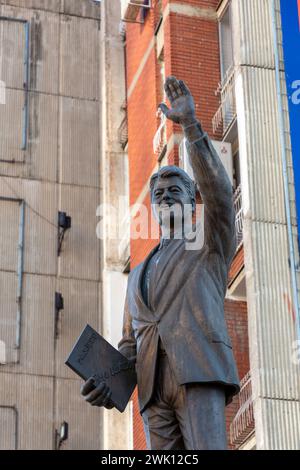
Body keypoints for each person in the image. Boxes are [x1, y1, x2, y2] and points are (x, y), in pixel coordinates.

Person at [81, 76, 240, 450]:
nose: (165, 198)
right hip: (153, 389)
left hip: (199, 371)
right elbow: (128, 345)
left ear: (190, 201)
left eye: (174, 191)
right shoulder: (137, 275)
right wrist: (107, 380)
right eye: (159, 194)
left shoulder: (209, 244)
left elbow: (219, 193)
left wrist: (190, 127)